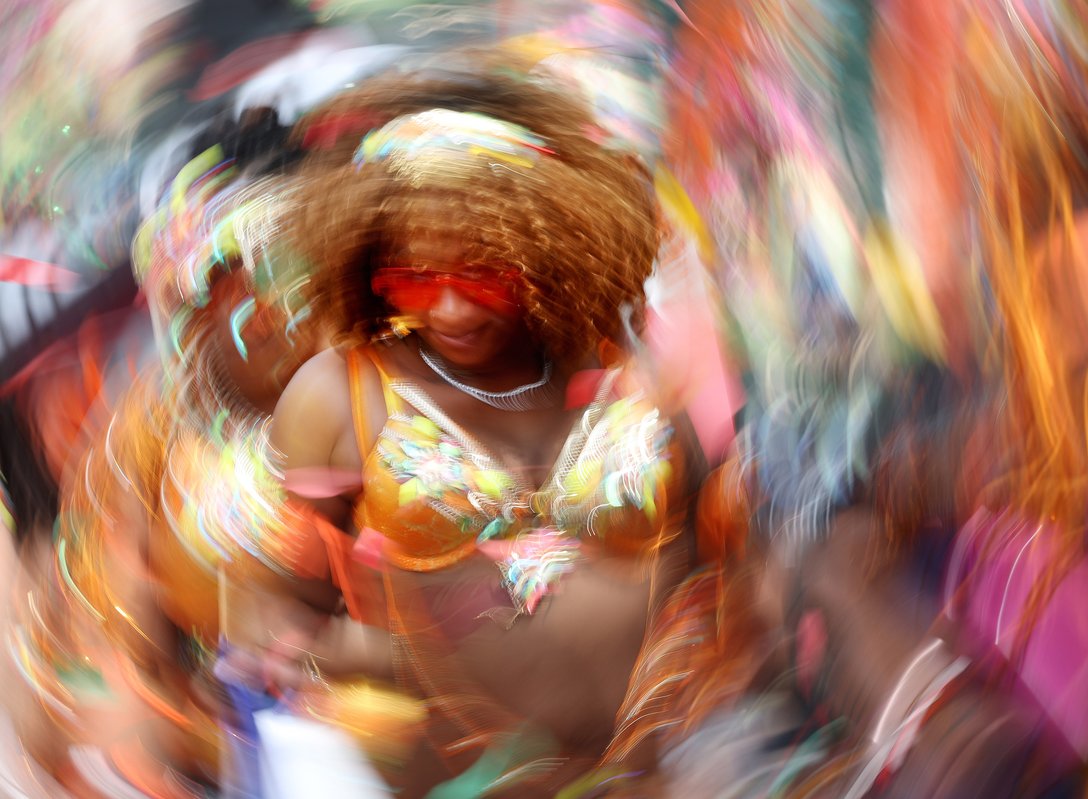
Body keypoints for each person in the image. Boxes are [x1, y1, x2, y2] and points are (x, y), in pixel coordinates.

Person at [262, 66, 753, 794]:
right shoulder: (341, 394)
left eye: (482, 272)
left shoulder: (628, 376)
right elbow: (283, 603)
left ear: (544, 248)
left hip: (652, 775)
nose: (452, 309)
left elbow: (719, 556)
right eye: (417, 276)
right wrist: (368, 685)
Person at [9, 108, 324, 796]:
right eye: (214, 282)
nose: (254, 313)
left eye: (276, 275)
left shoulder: (396, 395)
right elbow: (102, 641)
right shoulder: (150, 422)